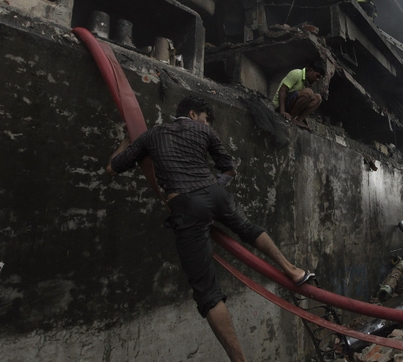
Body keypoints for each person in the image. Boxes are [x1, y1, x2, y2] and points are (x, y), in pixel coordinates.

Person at [106, 96, 314, 362]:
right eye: (205, 117)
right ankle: (293, 270)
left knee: (207, 291)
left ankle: (239, 360)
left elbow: (112, 168)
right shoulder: (204, 130)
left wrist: (125, 142)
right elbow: (228, 170)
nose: (206, 122)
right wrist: (213, 188)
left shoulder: (151, 136)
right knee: (248, 228)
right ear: (193, 114)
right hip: (215, 194)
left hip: (185, 203)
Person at [272, 60, 325, 129]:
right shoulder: (296, 73)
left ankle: (298, 120)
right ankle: (292, 118)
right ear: (311, 70)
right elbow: (282, 91)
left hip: (290, 106)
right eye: (317, 76)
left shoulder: (307, 81)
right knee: (308, 92)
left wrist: (303, 117)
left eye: (319, 78)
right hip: (279, 106)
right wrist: (282, 111)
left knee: (318, 98)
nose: (317, 79)